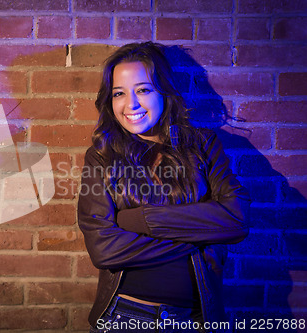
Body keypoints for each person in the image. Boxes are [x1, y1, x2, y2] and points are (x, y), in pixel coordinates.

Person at [77, 42, 250, 333]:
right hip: (125, 316)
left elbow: (237, 218)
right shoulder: (102, 155)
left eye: (143, 90)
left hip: (198, 319)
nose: (130, 104)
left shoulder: (202, 144)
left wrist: (139, 220)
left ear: (164, 92)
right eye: (119, 93)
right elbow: (103, 249)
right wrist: (199, 239)